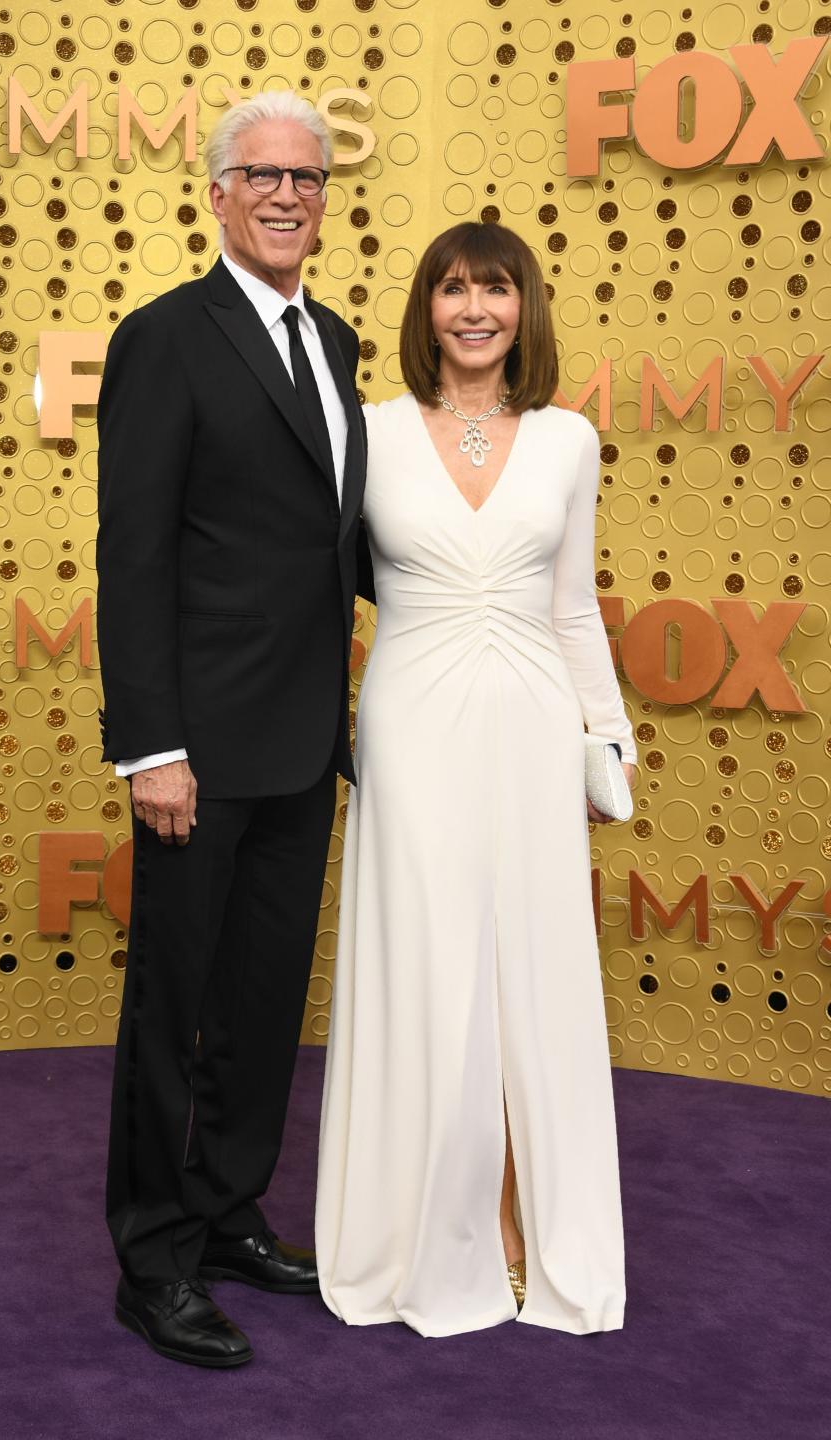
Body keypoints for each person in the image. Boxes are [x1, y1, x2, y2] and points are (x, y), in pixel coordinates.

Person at [315, 221, 637, 1339]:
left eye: (494, 289)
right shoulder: (369, 434)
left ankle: (519, 1226)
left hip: (533, 721)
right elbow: (314, 586)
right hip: (409, 724)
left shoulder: (567, 440)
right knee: (427, 965)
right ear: (428, 311)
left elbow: (572, 603)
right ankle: (418, 1228)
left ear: (523, 308)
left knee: (527, 977)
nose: (473, 310)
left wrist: (607, 736)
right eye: (453, 290)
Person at [95, 91, 367, 1368]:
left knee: (262, 1005)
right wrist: (150, 746)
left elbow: (339, 538)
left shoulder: (346, 343)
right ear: (214, 194)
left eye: (306, 179)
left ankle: (226, 1214)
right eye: (260, 175)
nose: (284, 196)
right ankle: (152, 1260)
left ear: (325, 199)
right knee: (174, 1004)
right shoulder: (167, 337)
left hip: (306, 744)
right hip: (194, 755)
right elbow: (134, 554)